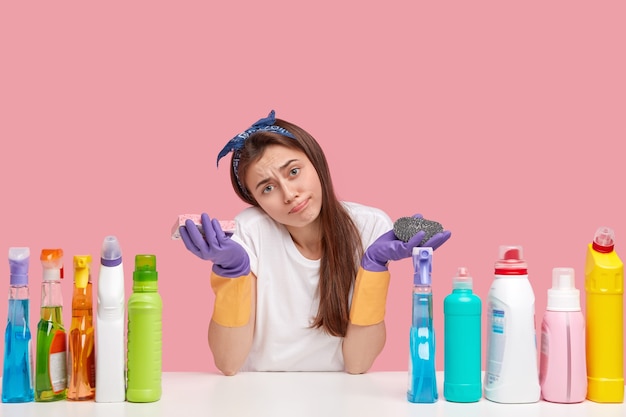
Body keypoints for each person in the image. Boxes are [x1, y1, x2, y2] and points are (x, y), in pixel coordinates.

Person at [179, 110, 451, 375]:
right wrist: (233, 274)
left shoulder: (369, 226)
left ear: (316, 162)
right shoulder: (249, 232)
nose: (289, 194)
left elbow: (358, 364)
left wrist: (374, 267)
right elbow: (228, 362)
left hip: (339, 394)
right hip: (259, 392)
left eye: (294, 171)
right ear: (257, 202)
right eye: (268, 188)